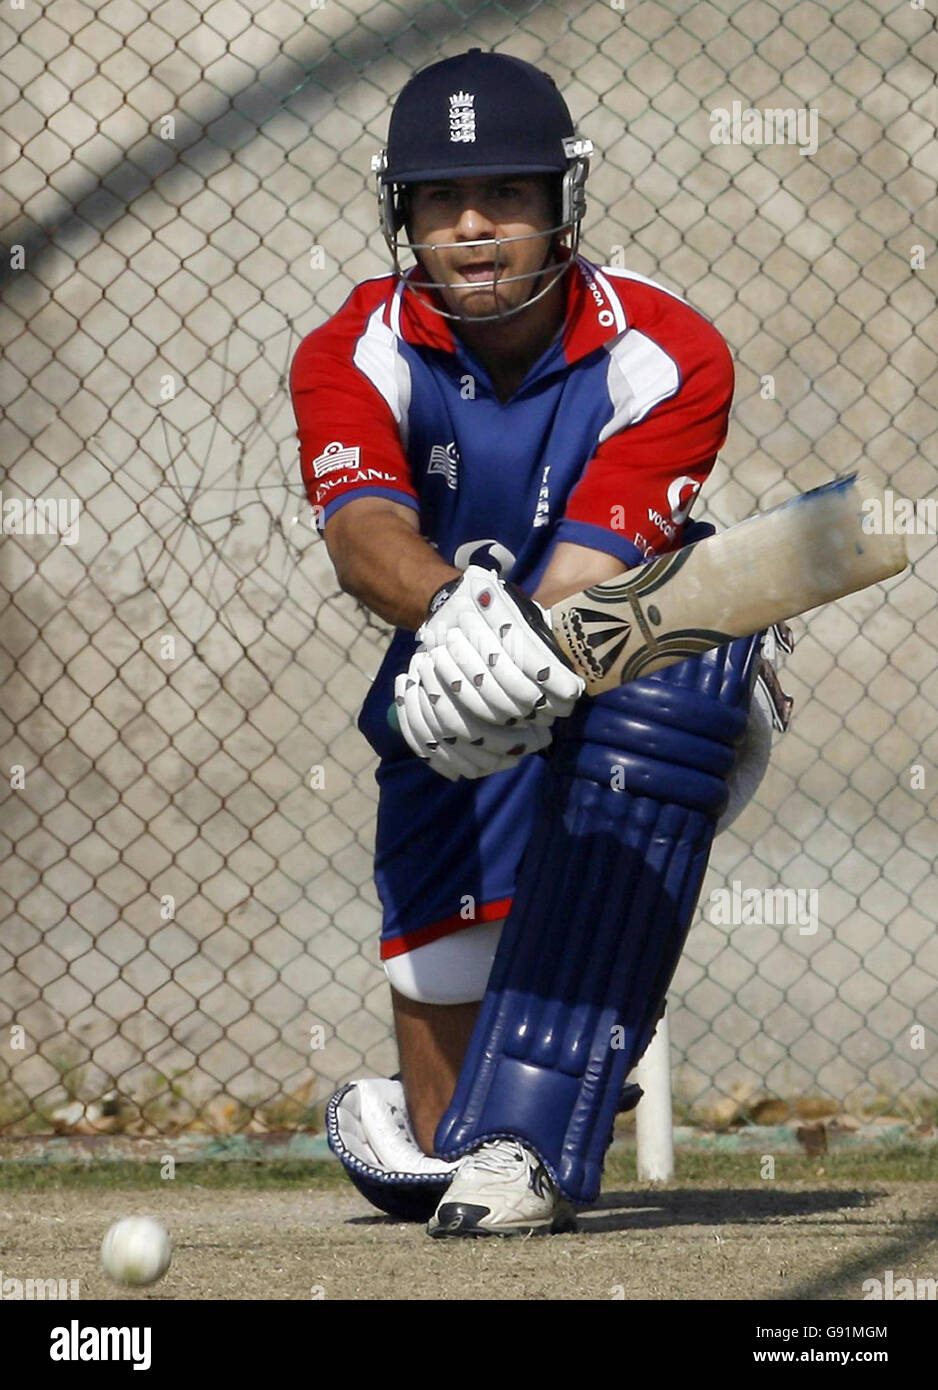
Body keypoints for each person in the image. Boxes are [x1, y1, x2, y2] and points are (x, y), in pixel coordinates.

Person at [290, 48, 789, 1237]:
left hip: (611, 644)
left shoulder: (667, 350)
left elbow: (586, 583)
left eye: (506, 194)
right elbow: (363, 534)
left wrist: (517, 644)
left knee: (653, 703)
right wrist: (459, 616)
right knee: (457, 1146)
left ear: (560, 201)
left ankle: (560, 1061)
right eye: (438, 201)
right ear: (399, 214)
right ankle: (461, 1124)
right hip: (440, 659)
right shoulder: (348, 348)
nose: (472, 227)